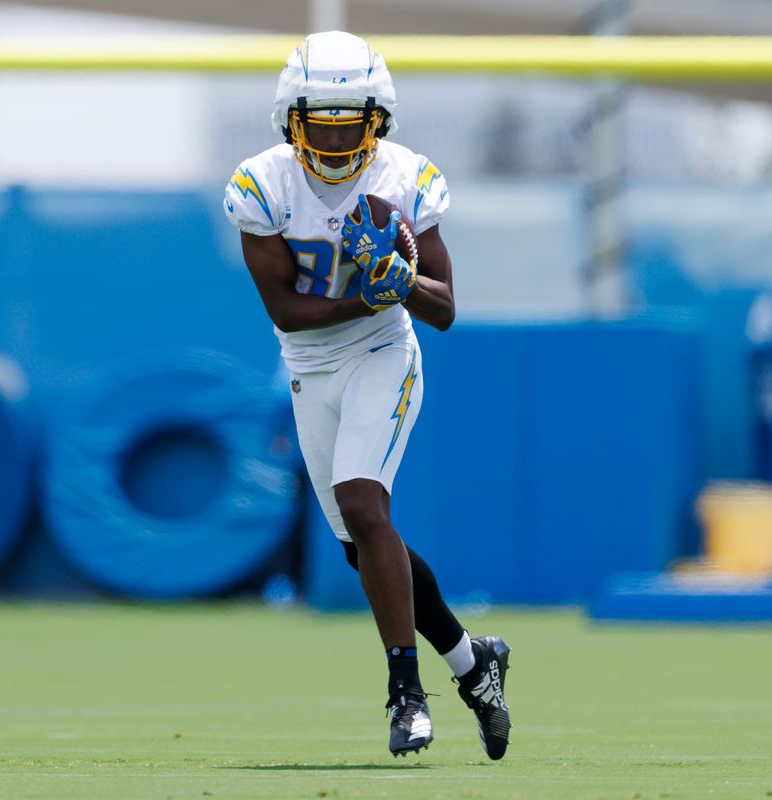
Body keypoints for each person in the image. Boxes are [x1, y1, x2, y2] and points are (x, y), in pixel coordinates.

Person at [223, 31, 511, 760]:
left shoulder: (407, 177)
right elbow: (286, 310)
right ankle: (473, 666)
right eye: (318, 126)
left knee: (361, 504)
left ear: (376, 120)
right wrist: (372, 295)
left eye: (348, 126)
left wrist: (402, 284)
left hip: (384, 352)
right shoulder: (262, 186)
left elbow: (443, 310)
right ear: (291, 121)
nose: (333, 140)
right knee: (362, 545)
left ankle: (406, 696)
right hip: (310, 361)